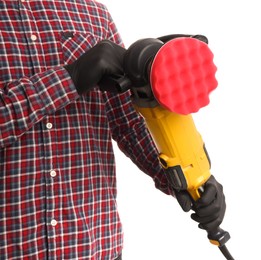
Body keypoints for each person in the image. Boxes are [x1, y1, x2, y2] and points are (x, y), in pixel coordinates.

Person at [0, 1, 226, 259]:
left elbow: (128, 122)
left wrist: (186, 178)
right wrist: (70, 78)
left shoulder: (93, 13)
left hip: (95, 245)